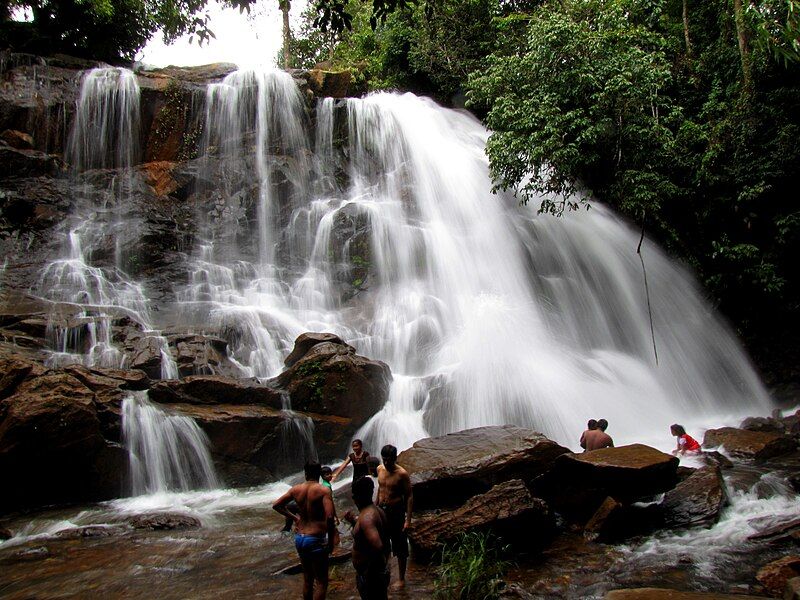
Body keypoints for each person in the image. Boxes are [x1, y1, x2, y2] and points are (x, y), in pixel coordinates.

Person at [273, 462, 339, 600]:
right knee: (321, 582)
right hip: (316, 538)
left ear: (305, 473)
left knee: (308, 580)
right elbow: (330, 516)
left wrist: (295, 519)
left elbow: (277, 505)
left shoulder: (296, 489)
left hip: (300, 538)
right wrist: (332, 540)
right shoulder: (323, 490)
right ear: (318, 474)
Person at [377, 444, 413, 589]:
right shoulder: (380, 469)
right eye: (384, 459)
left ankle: (401, 578)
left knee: (400, 547)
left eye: (389, 460)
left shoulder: (402, 474)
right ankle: (385, 573)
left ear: (395, 458)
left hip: (396, 511)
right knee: (383, 543)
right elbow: (380, 489)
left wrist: (408, 520)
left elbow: (409, 496)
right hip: (382, 511)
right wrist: (374, 507)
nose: (386, 463)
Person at [351, 476, 390, 600]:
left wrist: (369, 572)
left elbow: (377, 546)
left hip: (371, 576)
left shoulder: (366, 518)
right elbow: (385, 540)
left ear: (357, 496)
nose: (353, 498)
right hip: (379, 572)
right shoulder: (377, 511)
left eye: (354, 495)